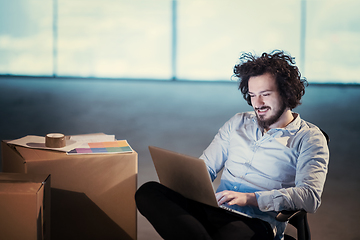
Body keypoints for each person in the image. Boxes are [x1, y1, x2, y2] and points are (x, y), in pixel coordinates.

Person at [135, 50, 329, 240]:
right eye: (252, 95)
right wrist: (187, 183)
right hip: (217, 209)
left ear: (287, 93)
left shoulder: (309, 138)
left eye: (265, 94)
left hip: (256, 222)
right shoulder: (238, 122)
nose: (257, 103)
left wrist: (251, 198)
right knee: (148, 192)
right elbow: (206, 167)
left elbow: (310, 196)